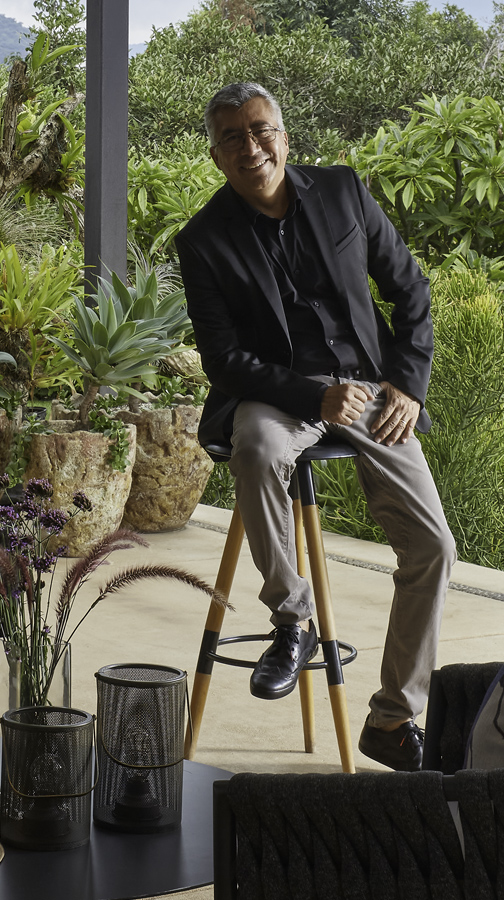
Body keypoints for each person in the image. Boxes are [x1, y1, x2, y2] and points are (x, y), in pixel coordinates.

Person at [175, 82, 456, 771]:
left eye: (261, 130)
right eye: (233, 137)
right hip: (281, 393)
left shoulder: (342, 192)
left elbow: (410, 290)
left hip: (373, 390)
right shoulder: (203, 240)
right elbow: (224, 360)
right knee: (256, 446)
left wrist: (407, 385)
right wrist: (313, 395)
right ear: (216, 156)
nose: (251, 147)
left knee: (434, 547)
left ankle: (392, 719)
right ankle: (292, 620)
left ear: (284, 136)